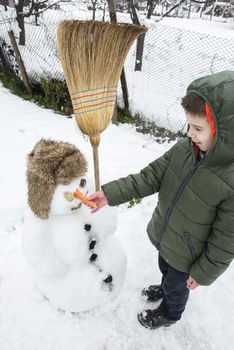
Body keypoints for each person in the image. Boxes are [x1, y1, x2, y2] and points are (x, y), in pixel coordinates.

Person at [89, 70, 234, 330]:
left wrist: (203, 273)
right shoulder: (183, 150)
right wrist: (110, 194)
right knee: (166, 271)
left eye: (198, 128)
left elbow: (226, 241)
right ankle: (166, 288)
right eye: (189, 125)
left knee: (177, 287)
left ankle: (170, 312)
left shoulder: (230, 181)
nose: (190, 133)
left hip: (190, 256)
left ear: (225, 132)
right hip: (167, 238)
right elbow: (148, 177)